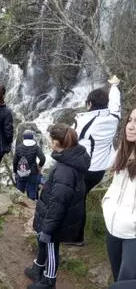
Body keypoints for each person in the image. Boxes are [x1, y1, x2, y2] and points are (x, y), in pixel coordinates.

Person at [24, 123, 91, 289]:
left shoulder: (65, 170)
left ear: (55, 143)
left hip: (57, 220)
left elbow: (58, 203)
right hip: (54, 214)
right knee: (43, 243)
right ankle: (37, 269)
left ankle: (49, 281)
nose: (48, 141)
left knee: (51, 246)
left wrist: (48, 229)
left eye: (50, 138)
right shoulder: (72, 157)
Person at [72, 75, 121, 245]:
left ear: (90, 104)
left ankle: (76, 238)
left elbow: (70, 139)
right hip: (100, 170)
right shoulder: (113, 118)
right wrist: (114, 86)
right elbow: (115, 104)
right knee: (80, 197)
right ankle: (74, 234)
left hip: (85, 169)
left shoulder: (85, 121)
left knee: (77, 200)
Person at [102, 107, 136, 283]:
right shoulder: (122, 152)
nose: (130, 126)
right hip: (112, 227)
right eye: (130, 120)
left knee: (126, 281)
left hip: (133, 234)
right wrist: (106, 204)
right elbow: (115, 186)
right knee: (117, 278)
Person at [13, 130, 46, 200]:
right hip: (33, 172)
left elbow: (15, 161)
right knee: (32, 191)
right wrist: (39, 166)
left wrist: (15, 171)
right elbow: (42, 158)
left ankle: (19, 205)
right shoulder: (36, 147)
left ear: (23, 138)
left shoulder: (19, 147)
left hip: (21, 171)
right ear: (32, 137)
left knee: (19, 191)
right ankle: (31, 206)